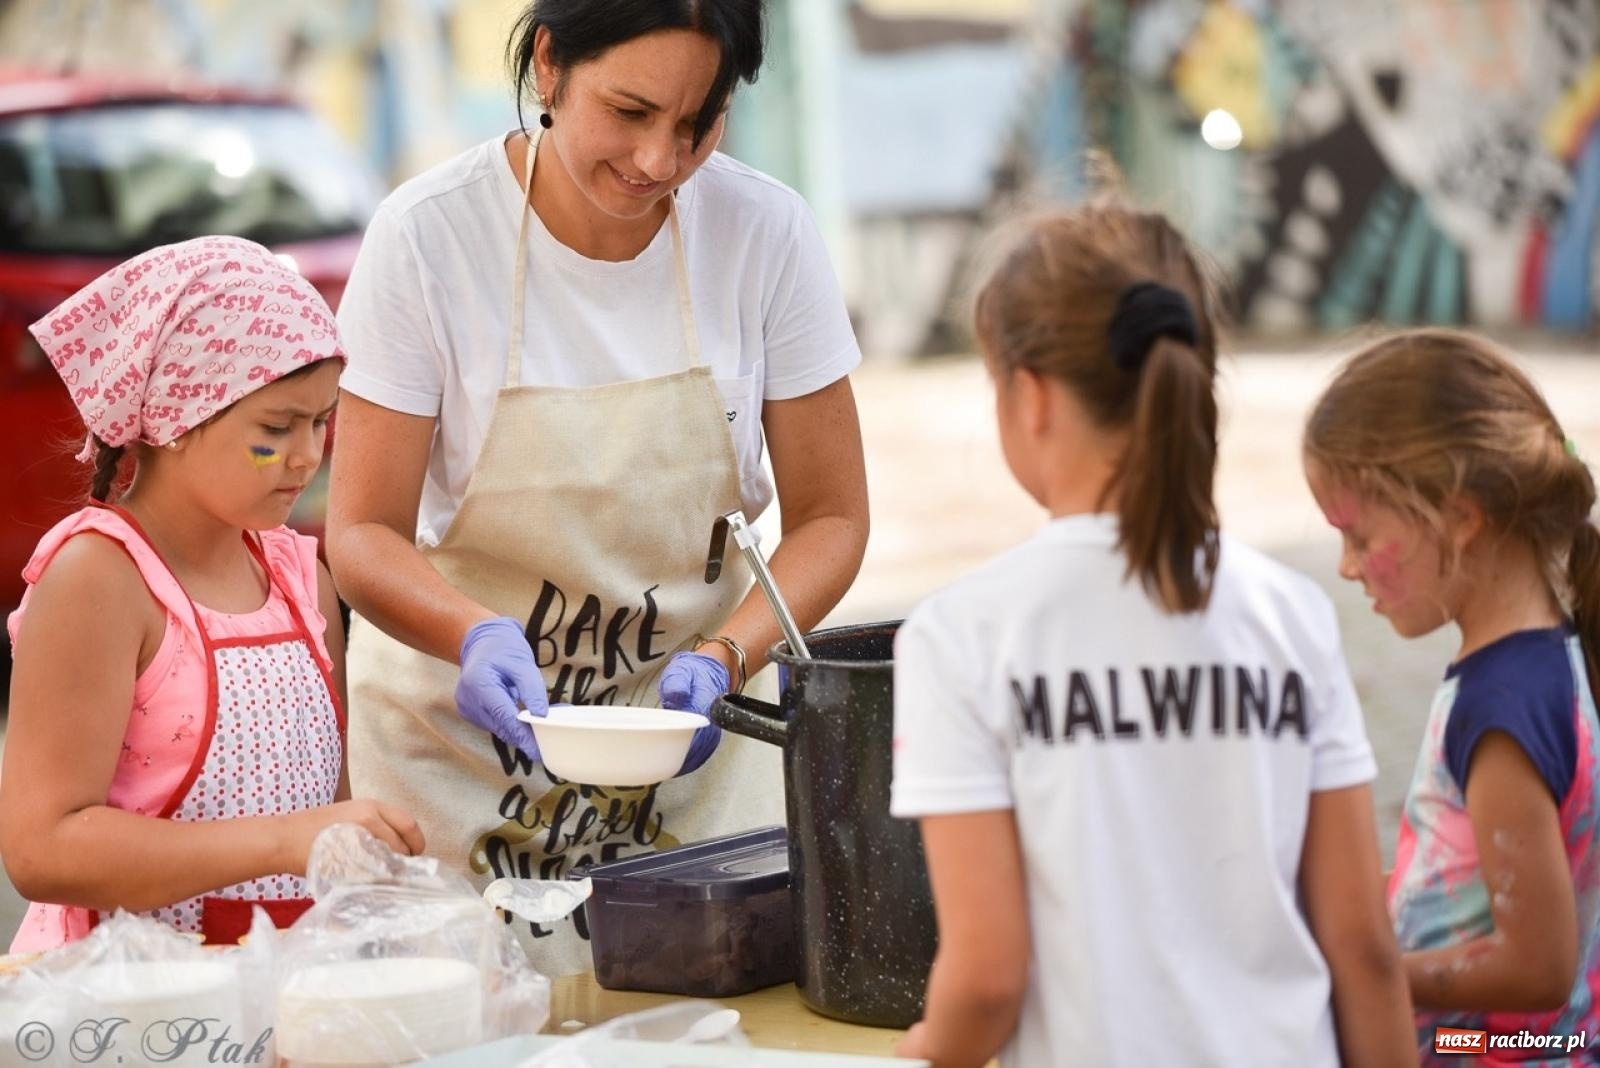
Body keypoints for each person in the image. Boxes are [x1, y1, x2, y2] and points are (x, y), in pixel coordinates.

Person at [326, 0, 867, 968]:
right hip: (455, 777)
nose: (659, 161)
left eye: (696, 125)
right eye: (629, 112)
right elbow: (360, 533)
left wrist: (725, 658)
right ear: (549, 64)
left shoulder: (764, 236)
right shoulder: (428, 241)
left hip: (689, 791)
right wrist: (471, 632)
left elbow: (831, 516)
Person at [889, 206, 1418, 1068]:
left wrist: (927, 1052)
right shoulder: (1291, 614)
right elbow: (1362, 948)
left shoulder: (961, 636)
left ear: (1029, 396)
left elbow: (987, 979)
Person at [0, 236, 424, 952]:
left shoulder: (300, 579)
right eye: (275, 428)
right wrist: (282, 840)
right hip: (133, 1014)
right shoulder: (99, 580)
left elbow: (328, 813)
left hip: (282, 998)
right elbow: (42, 849)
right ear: (177, 414)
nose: (306, 457)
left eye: (321, 422)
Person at [1304, 329, 1600, 1063]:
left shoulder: (1501, 714)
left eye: (1359, 534)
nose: (1346, 567)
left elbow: (1537, 967)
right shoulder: (1533, 667)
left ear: (1461, 519)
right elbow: (1466, 888)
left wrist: (1367, 978)